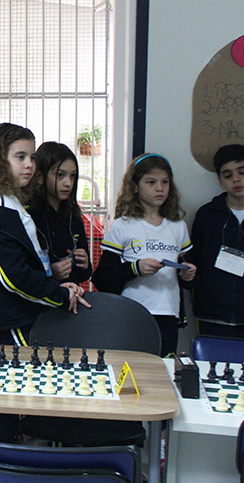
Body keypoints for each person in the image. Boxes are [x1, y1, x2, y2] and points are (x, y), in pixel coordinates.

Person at [0, 123, 89, 443]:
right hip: (8, 316)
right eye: (20, 157)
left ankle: (8, 451)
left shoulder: (10, 202)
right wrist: (58, 294)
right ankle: (4, 454)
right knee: (10, 392)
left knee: (9, 390)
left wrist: (56, 283)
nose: (29, 165)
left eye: (32, 157)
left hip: (17, 313)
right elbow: (13, 278)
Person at [93, 153, 196, 357]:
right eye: (151, 182)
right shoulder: (123, 225)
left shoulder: (178, 226)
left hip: (168, 313)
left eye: (165, 182)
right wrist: (136, 268)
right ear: (135, 186)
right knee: (134, 366)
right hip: (133, 312)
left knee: (164, 366)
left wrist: (188, 274)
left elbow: (186, 270)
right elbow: (102, 277)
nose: (160, 188)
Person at [189, 145, 244, 339]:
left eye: (242, 172)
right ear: (220, 181)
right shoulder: (207, 215)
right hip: (213, 314)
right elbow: (194, 258)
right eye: (228, 175)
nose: (236, 179)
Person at [28, 142, 92, 285]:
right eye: (60, 175)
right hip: (43, 295)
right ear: (40, 177)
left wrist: (84, 264)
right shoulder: (29, 216)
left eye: (73, 176)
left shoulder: (73, 216)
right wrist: (51, 272)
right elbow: (23, 272)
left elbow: (85, 274)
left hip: (73, 293)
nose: (68, 183)